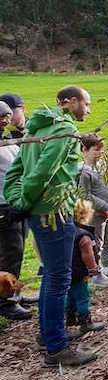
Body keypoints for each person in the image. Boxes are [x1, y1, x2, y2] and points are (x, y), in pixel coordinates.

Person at [3, 85, 96, 367]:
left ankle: (46, 334)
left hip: (39, 212)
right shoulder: (64, 130)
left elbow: (17, 168)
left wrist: (19, 199)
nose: (88, 110)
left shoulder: (36, 128)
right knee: (59, 279)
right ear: (70, 102)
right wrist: (23, 201)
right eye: (86, 104)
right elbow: (43, 172)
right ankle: (56, 348)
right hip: (53, 213)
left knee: (52, 277)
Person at [77, 134, 108, 288]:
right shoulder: (82, 171)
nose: (100, 153)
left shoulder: (103, 165)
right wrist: (105, 207)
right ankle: (96, 274)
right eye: (96, 150)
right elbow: (84, 195)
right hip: (92, 215)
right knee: (95, 243)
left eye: (102, 150)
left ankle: (107, 267)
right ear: (85, 149)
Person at [0, 100, 29, 320]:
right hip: (2, 205)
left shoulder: (8, 140)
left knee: (18, 250)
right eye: (1, 116)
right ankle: (6, 303)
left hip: (16, 203)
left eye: (8, 115)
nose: (5, 119)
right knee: (10, 252)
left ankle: (15, 293)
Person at [68, 199, 105, 335]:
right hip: (79, 273)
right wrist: (93, 269)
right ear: (85, 215)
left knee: (70, 295)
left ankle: (69, 318)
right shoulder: (83, 235)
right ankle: (85, 322)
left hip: (66, 273)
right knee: (83, 296)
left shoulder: (67, 231)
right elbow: (87, 255)